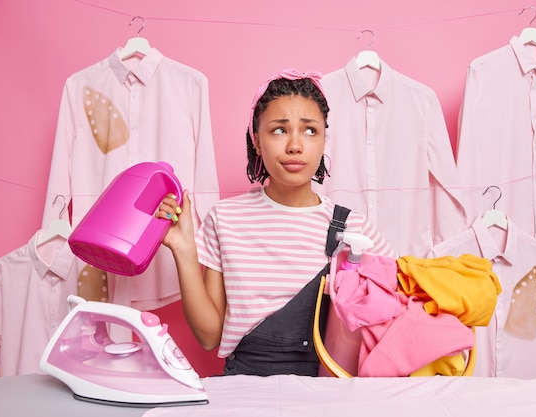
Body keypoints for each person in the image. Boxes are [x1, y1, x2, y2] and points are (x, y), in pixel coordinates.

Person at [156, 69, 395, 376]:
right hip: (246, 386)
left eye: (310, 131)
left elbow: (391, 320)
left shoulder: (354, 226)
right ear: (256, 141)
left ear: (324, 141)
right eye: (279, 130)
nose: (295, 145)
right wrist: (183, 247)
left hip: (329, 389)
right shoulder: (225, 218)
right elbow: (208, 337)